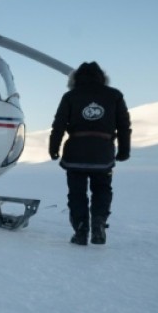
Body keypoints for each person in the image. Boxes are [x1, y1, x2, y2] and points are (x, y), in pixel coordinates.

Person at [49, 61, 131, 245]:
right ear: (102, 78)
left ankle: (80, 230)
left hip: (75, 154)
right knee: (102, 189)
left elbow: (59, 125)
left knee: (77, 193)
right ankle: (99, 223)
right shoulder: (115, 95)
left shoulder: (70, 96)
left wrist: (53, 148)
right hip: (103, 154)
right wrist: (124, 150)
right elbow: (124, 126)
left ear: (76, 79)